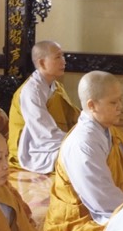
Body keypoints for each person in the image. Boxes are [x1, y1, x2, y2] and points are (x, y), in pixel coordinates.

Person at [43, 71, 123, 231]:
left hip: (107, 206)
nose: (120, 107)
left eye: (120, 100)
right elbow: (102, 199)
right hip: (79, 223)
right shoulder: (83, 144)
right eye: (113, 102)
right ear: (92, 105)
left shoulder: (109, 131)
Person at [8, 40, 79, 174]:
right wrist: (74, 140)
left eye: (63, 56)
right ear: (42, 63)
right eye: (58, 57)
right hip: (31, 146)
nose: (64, 61)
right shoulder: (31, 91)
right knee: (80, 154)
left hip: (53, 140)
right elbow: (43, 131)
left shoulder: (56, 86)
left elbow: (72, 115)